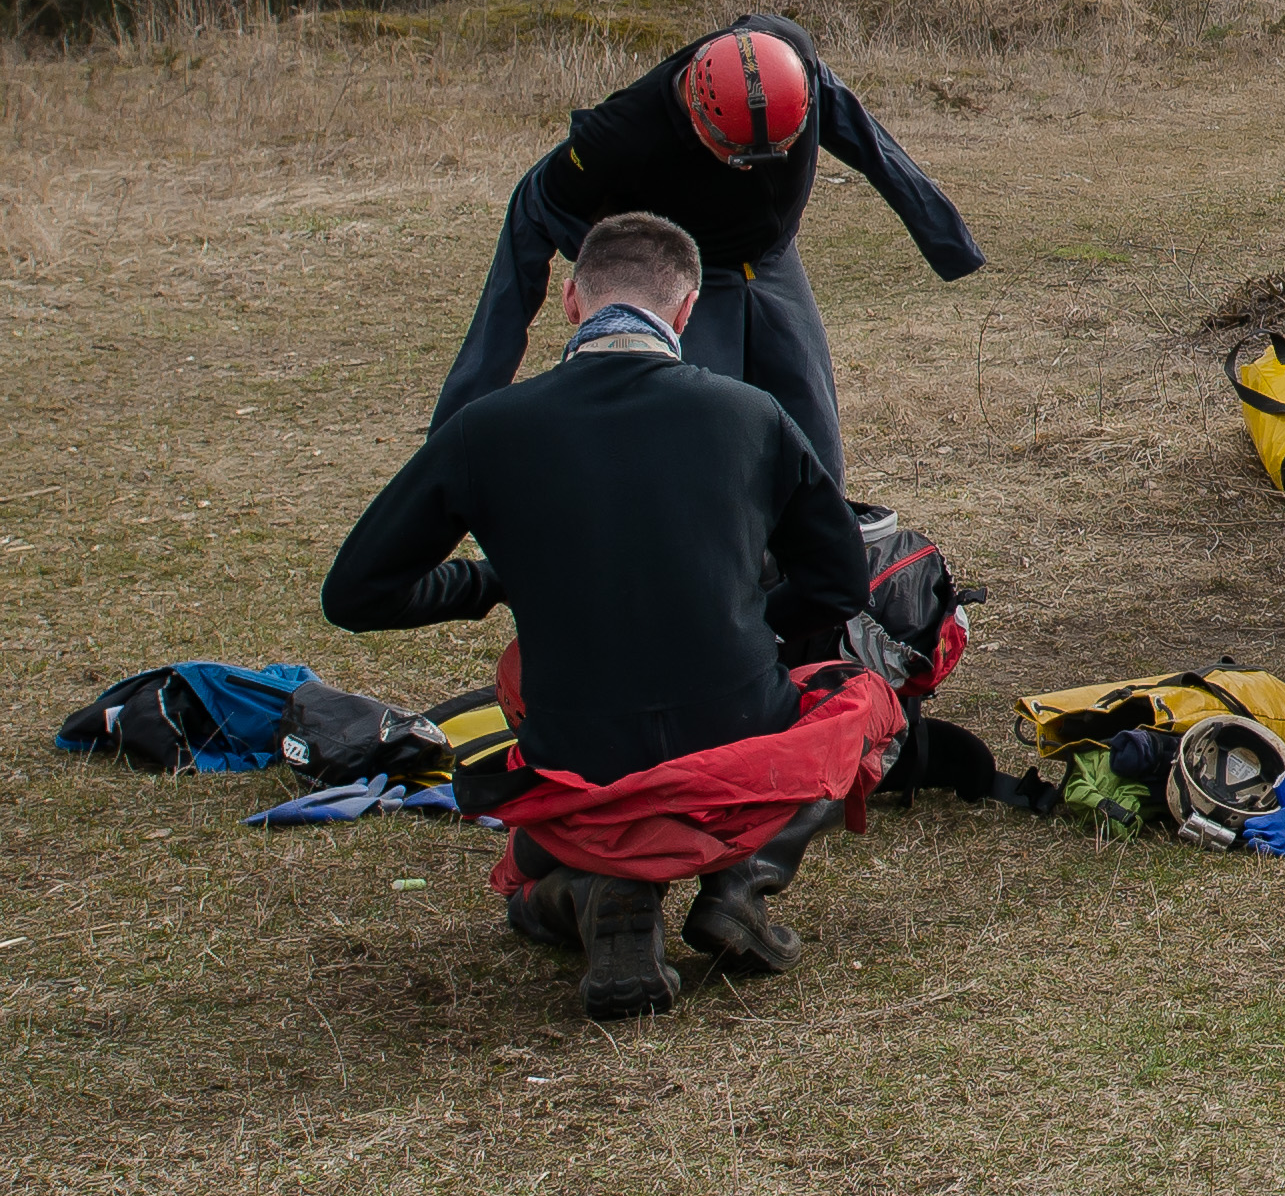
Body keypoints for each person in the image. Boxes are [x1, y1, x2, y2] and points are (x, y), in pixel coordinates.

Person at [327, 210, 897, 1020]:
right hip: (738, 741)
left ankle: (593, 895)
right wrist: (749, 619)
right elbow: (842, 584)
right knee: (865, 701)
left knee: (534, 867)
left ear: (569, 302)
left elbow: (355, 594)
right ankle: (742, 880)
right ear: (688, 310)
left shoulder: (486, 429)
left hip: (577, 763)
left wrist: (489, 582)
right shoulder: (752, 416)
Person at [433, 11, 983, 488]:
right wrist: (633, 287)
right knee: (705, 439)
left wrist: (945, 238)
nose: (758, 169)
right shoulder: (620, 134)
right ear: (698, 118)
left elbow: (868, 140)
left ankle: (817, 573)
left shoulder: (793, 58)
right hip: (695, 267)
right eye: (742, 158)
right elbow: (535, 207)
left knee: (812, 434)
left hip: (771, 258)